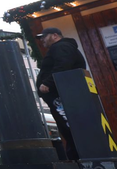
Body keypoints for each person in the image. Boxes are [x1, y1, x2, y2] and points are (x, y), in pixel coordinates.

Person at [35, 27, 86, 161]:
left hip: (60, 94)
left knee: (70, 128)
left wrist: (48, 83)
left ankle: (78, 159)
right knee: (70, 128)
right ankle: (76, 158)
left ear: (55, 35)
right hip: (61, 93)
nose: (42, 40)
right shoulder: (62, 47)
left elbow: (63, 65)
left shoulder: (61, 47)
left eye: (44, 36)